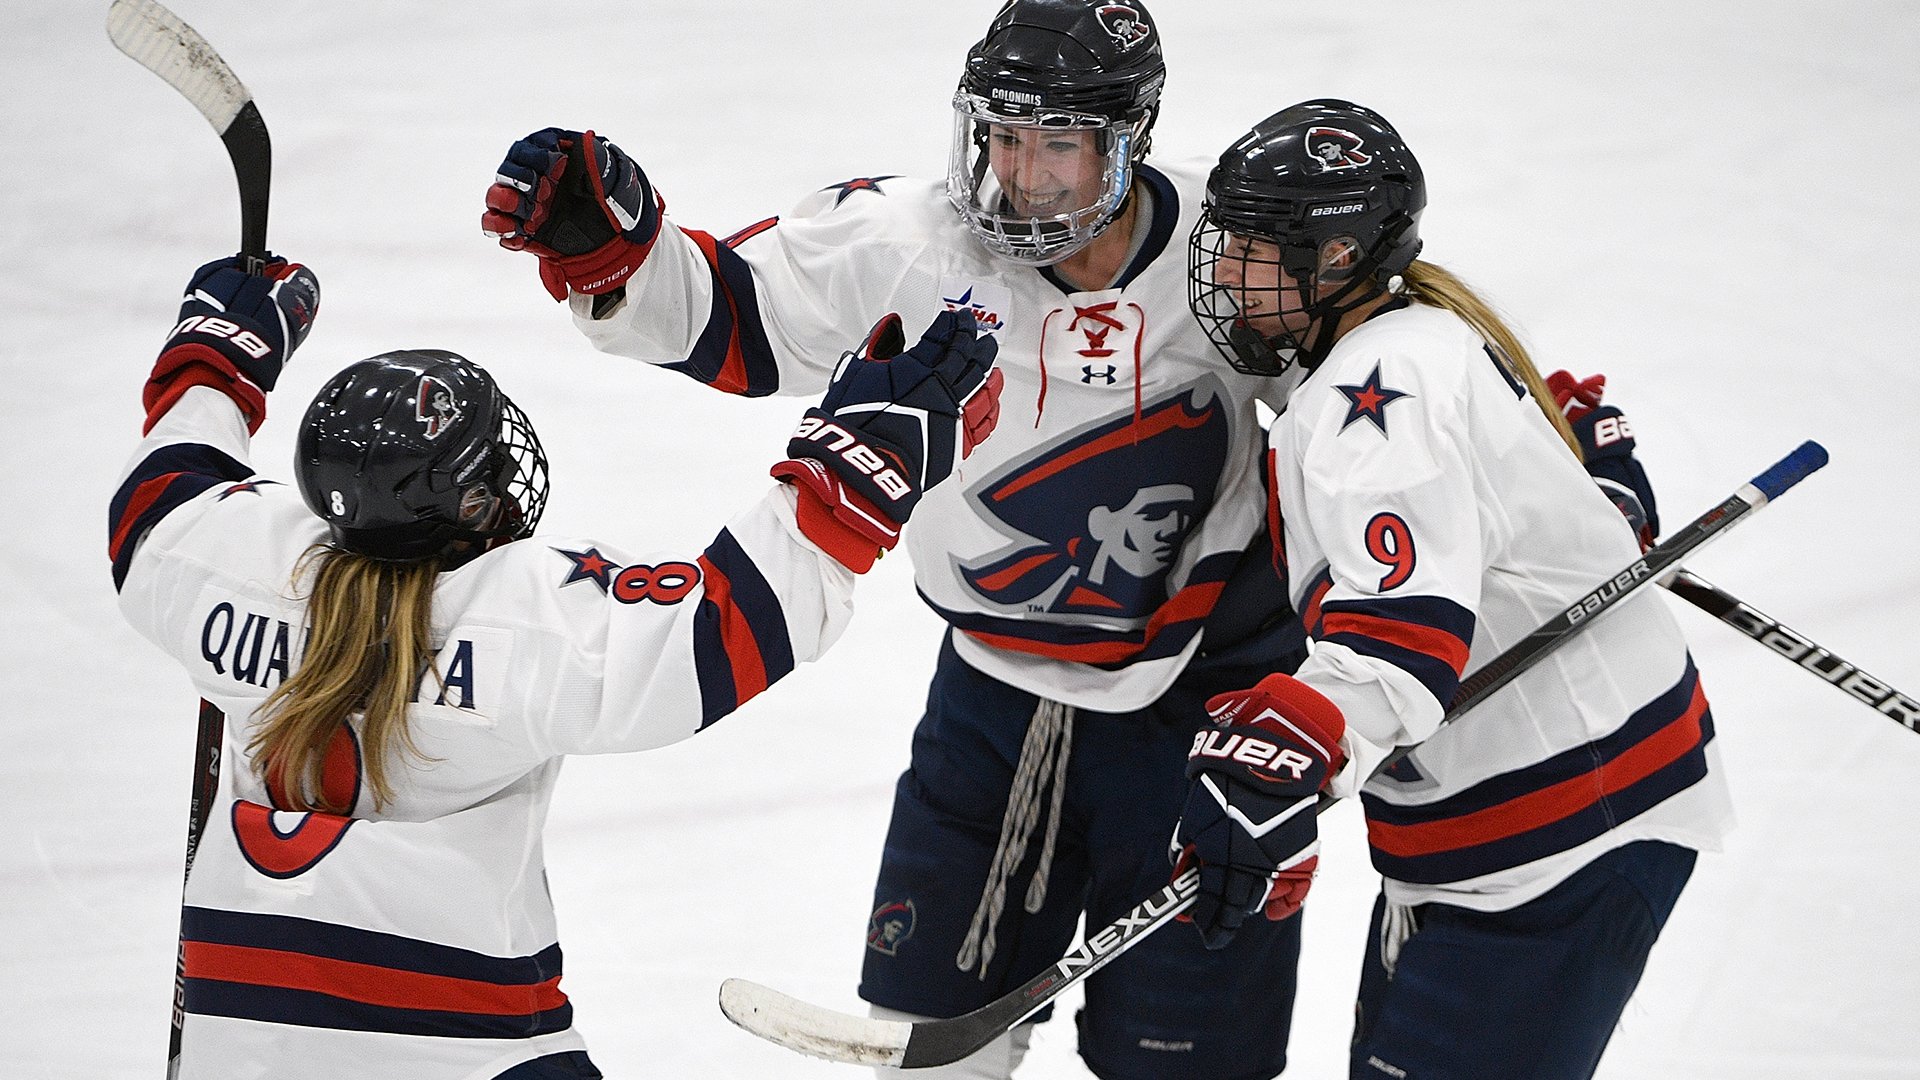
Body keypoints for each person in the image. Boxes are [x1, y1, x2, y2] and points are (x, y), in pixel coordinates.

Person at [481, 3, 1313, 1077]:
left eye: (1057, 141)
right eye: (1003, 138)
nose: (1023, 174)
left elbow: (1359, 425)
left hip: (1201, 712)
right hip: (992, 702)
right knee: (928, 1055)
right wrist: (620, 259)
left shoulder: (1230, 246)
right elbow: (737, 314)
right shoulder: (910, 242)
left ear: (1128, 134)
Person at [110, 253, 999, 1078]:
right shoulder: (521, 618)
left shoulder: (227, 558)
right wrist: (853, 469)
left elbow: (159, 492)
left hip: (242, 1039)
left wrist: (218, 356)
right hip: (464, 1042)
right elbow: (723, 630)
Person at [1178, 99, 1731, 1080]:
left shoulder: (1374, 394)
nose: (1222, 274)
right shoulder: (1396, 343)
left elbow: (1398, 636)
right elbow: (1487, 535)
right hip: (1484, 842)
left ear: (1337, 259)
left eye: (1254, 251)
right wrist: (1590, 501)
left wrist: (1286, 742)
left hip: (1567, 842)